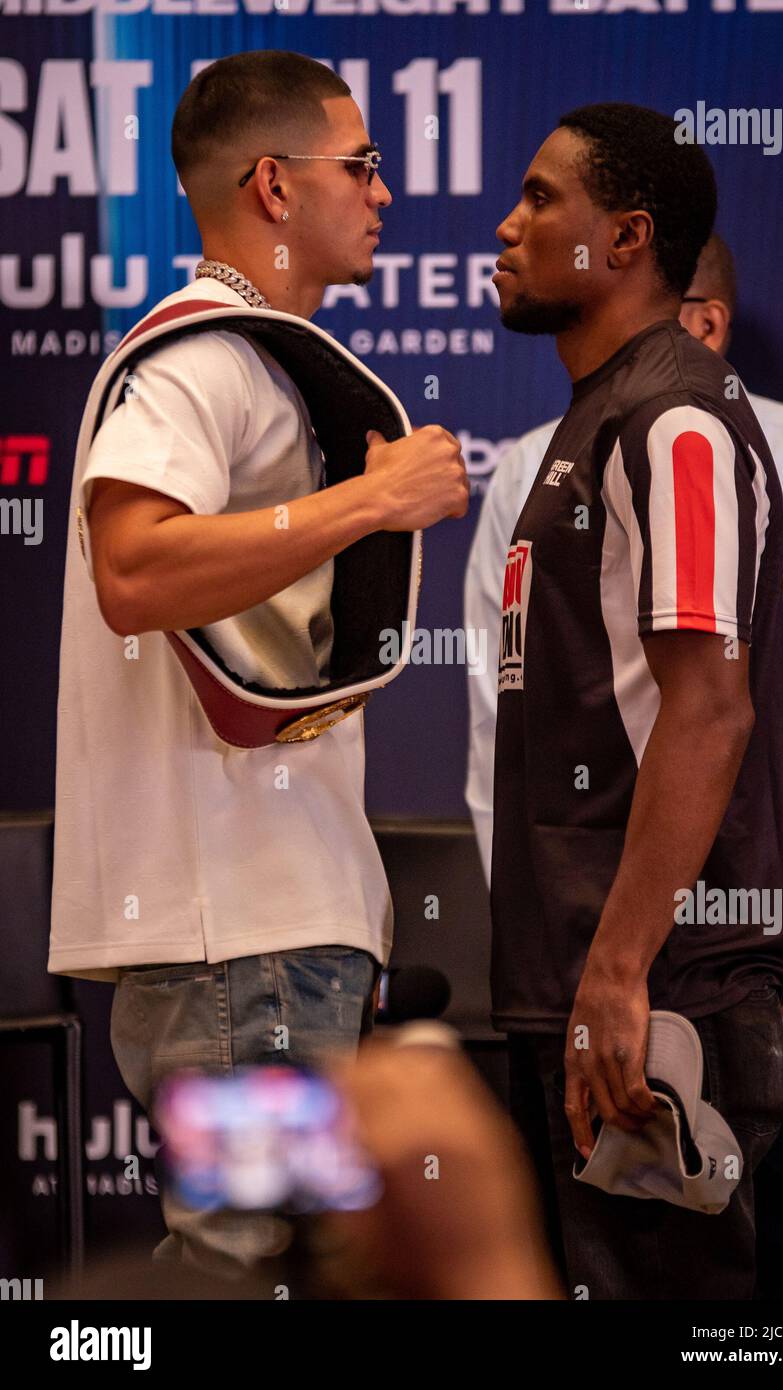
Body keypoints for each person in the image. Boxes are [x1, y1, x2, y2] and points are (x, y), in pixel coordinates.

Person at [48, 49, 468, 1280]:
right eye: (362, 166)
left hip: (264, 933)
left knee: (271, 1263)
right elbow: (134, 569)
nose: (384, 194)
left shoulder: (259, 361)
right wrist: (368, 502)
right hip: (238, 935)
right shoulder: (198, 359)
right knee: (246, 1264)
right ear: (274, 188)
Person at [467, 231, 783, 1299]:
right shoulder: (524, 471)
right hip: (589, 981)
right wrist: (565, 951)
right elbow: (499, 737)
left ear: (704, 325)